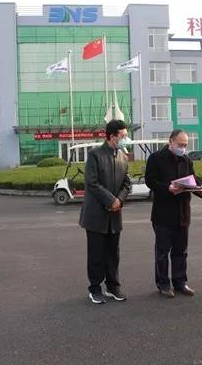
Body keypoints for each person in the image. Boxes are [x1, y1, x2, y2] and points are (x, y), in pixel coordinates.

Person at [145, 129, 202, 298]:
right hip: (163, 213)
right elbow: (150, 181)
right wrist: (167, 188)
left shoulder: (186, 160)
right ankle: (163, 284)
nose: (183, 148)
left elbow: (192, 179)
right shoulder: (156, 158)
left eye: (185, 145)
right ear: (171, 141)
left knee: (181, 251)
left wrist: (201, 188)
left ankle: (180, 282)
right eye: (180, 144)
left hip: (182, 213)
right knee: (162, 252)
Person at [79, 120, 132, 304]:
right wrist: (111, 200)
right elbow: (92, 183)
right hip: (96, 214)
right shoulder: (95, 155)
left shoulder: (123, 156)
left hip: (114, 214)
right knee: (96, 254)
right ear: (111, 136)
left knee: (113, 254)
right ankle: (95, 288)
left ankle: (113, 286)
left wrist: (119, 200)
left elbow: (127, 183)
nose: (125, 139)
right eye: (123, 136)